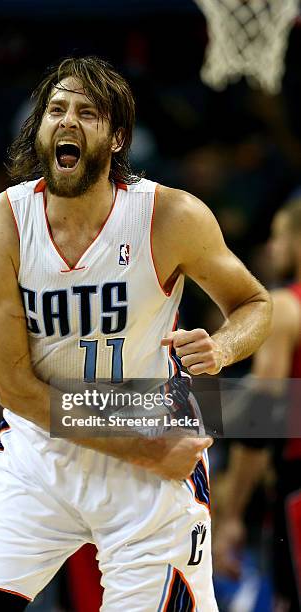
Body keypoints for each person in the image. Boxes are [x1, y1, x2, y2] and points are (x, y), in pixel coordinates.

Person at [0, 56, 271, 611]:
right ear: (40, 131)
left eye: (87, 112)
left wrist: (220, 348)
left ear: (118, 138)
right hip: (42, 457)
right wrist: (144, 447)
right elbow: (15, 388)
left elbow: (254, 304)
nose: (67, 121)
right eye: (56, 110)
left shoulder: (170, 217)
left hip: (146, 465)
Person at [213, 197, 301, 611]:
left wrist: (231, 513)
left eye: (278, 238)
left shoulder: (285, 307)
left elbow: (264, 415)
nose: (271, 248)